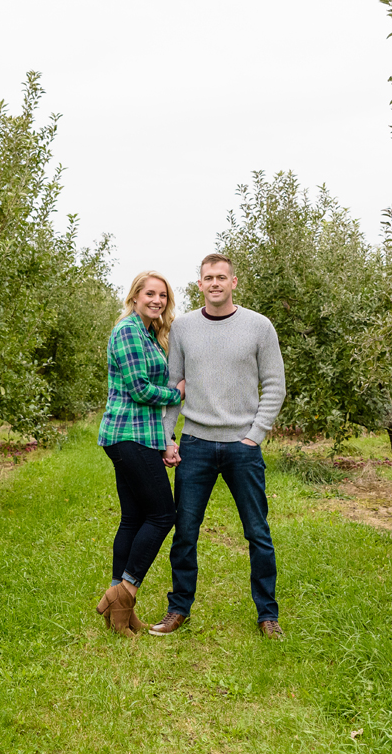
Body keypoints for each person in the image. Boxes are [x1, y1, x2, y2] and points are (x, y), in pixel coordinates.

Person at [149, 252, 286, 637]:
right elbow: (175, 387)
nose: (214, 283)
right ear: (200, 284)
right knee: (186, 531)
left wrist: (254, 435)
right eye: (208, 278)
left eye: (221, 277)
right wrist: (168, 437)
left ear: (233, 282)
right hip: (196, 445)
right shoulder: (184, 329)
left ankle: (267, 615)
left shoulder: (259, 327)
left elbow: (275, 384)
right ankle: (179, 608)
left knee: (257, 532)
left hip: (242, 447)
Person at [94, 270, 185, 637]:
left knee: (133, 518)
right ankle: (124, 592)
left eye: (162, 295)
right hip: (127, 436)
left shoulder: (148, 333)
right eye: (150, 294)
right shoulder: (129, 330)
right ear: (135, 296)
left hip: (138, 436)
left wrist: (165, 439)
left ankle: (121, 610)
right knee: (163, 515)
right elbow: (140, 390)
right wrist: (178, 393)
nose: (157, 300)